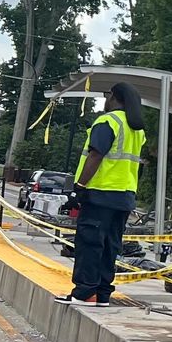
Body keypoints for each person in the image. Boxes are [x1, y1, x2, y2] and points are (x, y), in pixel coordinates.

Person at [58, 82, 147, 307]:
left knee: (89, 243)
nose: (105, 100)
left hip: (100, 194)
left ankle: (85, 292)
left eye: (107, 96)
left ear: (114, 97)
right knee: (110, 245)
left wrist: (79, 186)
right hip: (124, 195)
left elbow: (96, 155)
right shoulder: (136, 130)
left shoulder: (108, 121)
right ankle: (102, 294)